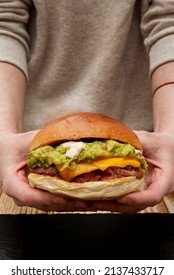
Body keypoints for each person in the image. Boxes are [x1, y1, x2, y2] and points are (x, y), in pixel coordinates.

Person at [0, 0, 174, 214]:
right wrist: (4, 135)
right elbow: (5, 22)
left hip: (148, 147)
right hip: (28, 144)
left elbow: (168, 20)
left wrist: (170, 132)